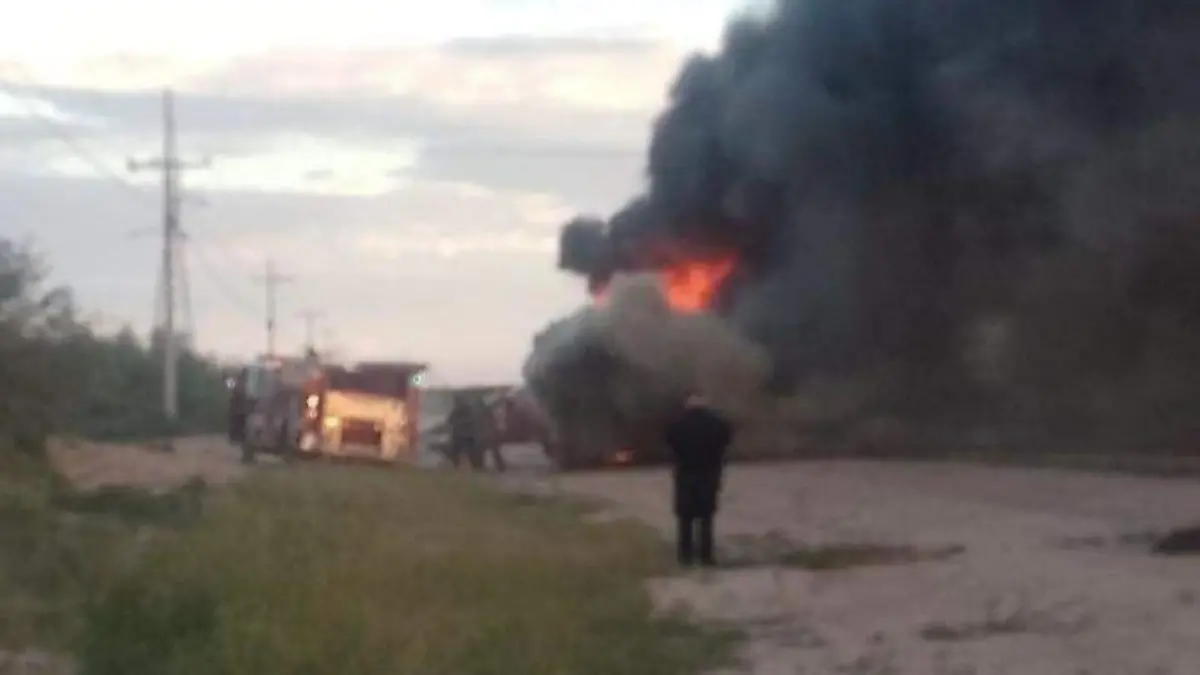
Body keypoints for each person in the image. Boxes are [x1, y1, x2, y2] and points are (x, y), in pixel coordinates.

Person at [664, 394, 734, 567]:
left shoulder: (678, 424)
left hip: (685, 475)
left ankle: (685, 556)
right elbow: (727, 439)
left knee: (685, 517)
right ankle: (706, 556)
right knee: (706, 518)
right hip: (709, 475)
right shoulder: (717, 424)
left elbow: (668, 441)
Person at [445, 393, 484, 470]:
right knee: (455, 452)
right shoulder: (462, 410)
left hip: (466, 439)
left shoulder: (461, 410)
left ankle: (463, 466)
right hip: (466, 438)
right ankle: (472, 467)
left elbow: (450, 422)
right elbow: (450, 421)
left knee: (457, 452)